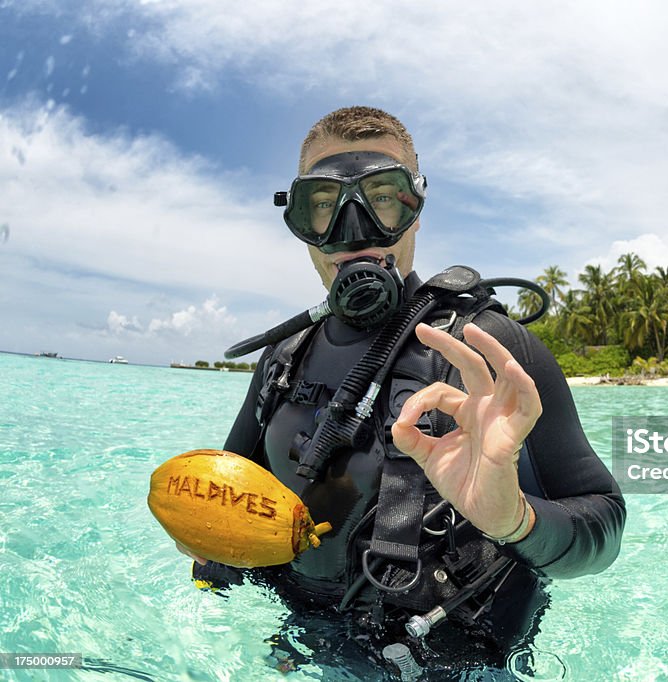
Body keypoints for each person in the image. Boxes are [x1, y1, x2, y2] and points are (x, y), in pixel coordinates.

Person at [177, 106, 625, 678]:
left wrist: (514, 519)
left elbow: (604, 523)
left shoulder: (485, 348)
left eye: (382, 197)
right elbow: (225, 495)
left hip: (450, 662)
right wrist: (205, 541)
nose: (354, 230)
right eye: (322, 206)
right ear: (300, 223)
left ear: (416, 211)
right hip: (303, 639)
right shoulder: (284, 359)